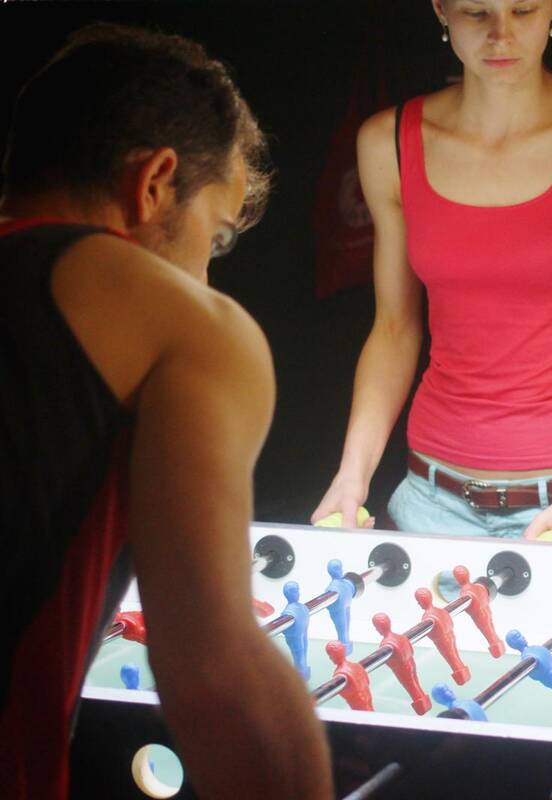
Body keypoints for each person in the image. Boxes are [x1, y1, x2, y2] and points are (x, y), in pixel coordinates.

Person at [0, 23, 332, 799]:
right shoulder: (182, 323)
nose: (206, 280)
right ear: (153, 182)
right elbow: (216, 679)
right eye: (215, 238)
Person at [312, 0, 552, 546]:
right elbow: (394, 328)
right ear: (441, 10)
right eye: (476, 13)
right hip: (429, 501)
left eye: (523, 10)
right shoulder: (389, 142)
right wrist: (352, 475)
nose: (501, 34)